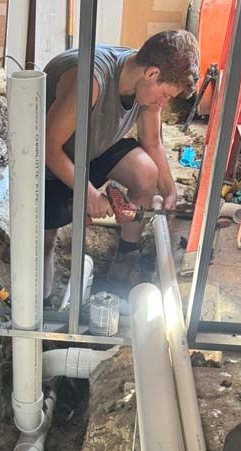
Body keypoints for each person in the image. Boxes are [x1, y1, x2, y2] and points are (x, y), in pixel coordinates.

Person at [44, 30, 199, 297]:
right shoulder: (90, 81)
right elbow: (48, 147)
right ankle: (43, 300)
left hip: (94, 146)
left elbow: (152, 143)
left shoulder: (145, 85)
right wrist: (89, 194)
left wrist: (169, 191)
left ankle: (125, 260)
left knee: (146, 171)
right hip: (50, 161)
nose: (163, 102)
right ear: (151, 73)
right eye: (164, 95)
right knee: (45, 241)